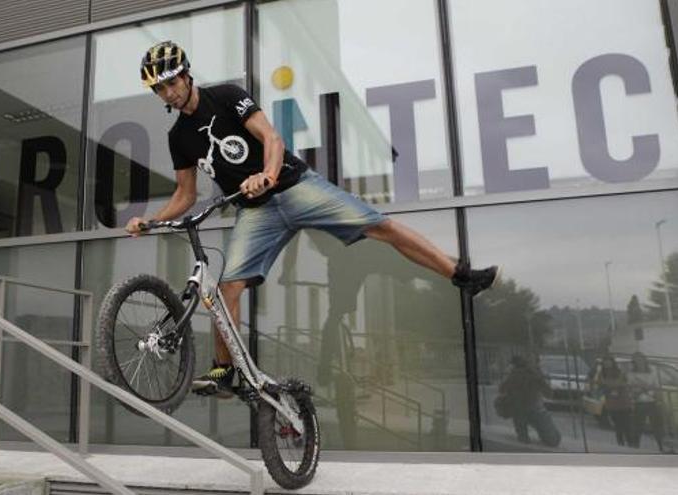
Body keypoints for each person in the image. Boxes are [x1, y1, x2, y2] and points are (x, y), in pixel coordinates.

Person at [127, 41, 499, 396]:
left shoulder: (225, 96)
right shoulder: (179, 137)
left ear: (187, 75)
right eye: (159, 89)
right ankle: (224, 371)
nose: (169, 93)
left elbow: (272, 139)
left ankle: (461, 275)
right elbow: (185, 195)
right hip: (255, 212)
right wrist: (150, 221)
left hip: (293, 187)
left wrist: (269, 175)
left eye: (171, 82)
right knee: (227, 291)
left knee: (379, 225)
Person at [498, 355, 561, 447]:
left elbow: (501, 389)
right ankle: (545, 437)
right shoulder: (534, 373)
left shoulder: (514, 374)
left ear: (514, 365)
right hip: (535, 408)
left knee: (520, 425)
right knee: (553, 440)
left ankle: (524, 438)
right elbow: (548, 392)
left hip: (519, 409)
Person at [628, 352, 665, 450]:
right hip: (639, 402)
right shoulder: (631, 374)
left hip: (652, 401)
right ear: (634, 362)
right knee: (638, 425)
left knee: (657, 425)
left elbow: (656, 387)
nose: (639, 362)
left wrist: (657, 398)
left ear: (644, 360)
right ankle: (635, 446)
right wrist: (640, 389)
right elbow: (631, 388)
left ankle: (660, 446)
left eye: (640, 359)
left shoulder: (652, 373)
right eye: (636, 360)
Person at [597, 356, 634, 447]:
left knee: (627, 424)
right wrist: (609, 387)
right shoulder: (601, 374)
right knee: (618, 425)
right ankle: (620, 443)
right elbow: (600, 386)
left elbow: (626, 383)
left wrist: (613, 386)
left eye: (609, 361)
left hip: (623, 401)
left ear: (612, 362)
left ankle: (630, 443)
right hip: (611, 403)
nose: (607, 363)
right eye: (605, 362)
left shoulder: (620, 372)